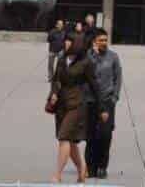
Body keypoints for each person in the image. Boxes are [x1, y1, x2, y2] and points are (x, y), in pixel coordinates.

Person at [80, 28, 122, 176]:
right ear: (94, 42)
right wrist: (94, 56)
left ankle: (102, 167)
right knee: (90, 136)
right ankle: (90, 168)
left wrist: (115, 98)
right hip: (91, 101)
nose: (104, 43)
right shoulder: (88, 57)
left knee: (105, 135)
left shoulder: (113, 57)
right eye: (101, 40)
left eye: (105, 40)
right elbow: (84, 75)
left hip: (107, 101)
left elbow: (118, 78)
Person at [51, 32, 91, 183]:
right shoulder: (62, 59)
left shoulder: (86, 62)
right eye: (66, 40)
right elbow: (55, 80)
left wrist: (103, 107)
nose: (66, 43)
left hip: (77, 105)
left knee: (64, 137)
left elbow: (94, 84)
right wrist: (54, 93)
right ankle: (81, 168)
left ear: (77, 43)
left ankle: (57, 174)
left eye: (70, 40)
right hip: (61, 105)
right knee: (72, 141)